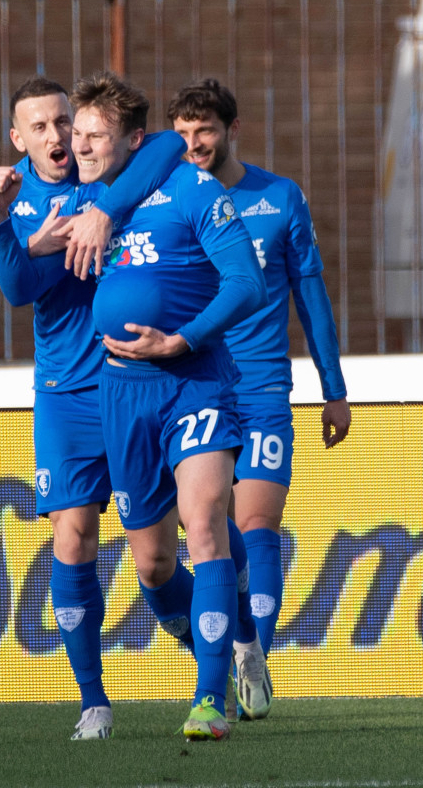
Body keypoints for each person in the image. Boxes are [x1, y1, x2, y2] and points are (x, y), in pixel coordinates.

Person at [0, 75, 186, 741]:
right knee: (71, 538)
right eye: (40, 127)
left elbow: (168, 145)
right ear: (17, 139)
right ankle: (94, 703)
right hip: (64, 396)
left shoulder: (106, 170)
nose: (58, 136)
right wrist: (19, 241)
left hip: (131, 384)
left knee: (156, 562)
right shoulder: (5, 197)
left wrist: (106, 212)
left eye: (63, 122)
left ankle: (221, 641)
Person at [65, 70, 269, 741]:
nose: (81, 145)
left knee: (204, 519)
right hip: (122, 393)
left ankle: (210, 699)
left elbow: (246, 281)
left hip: (194, 380)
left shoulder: (190, 186)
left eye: (96, 134)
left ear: (132, 139)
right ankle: (235, 637)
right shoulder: (85, 197)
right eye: (77, 133)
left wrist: (182, 338)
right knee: (153, 567)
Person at [167, 79, 351, 674]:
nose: (193, 144)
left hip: (262, 387)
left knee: (257, 522)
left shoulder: (279, 197)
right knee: (205, 529)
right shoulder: (167, 202)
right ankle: (226, 649)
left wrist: (334, 390)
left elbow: (311, 297)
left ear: (232, 130)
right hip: (195, 389)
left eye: (205, 131)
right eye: (182, 133)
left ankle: (253, 667)